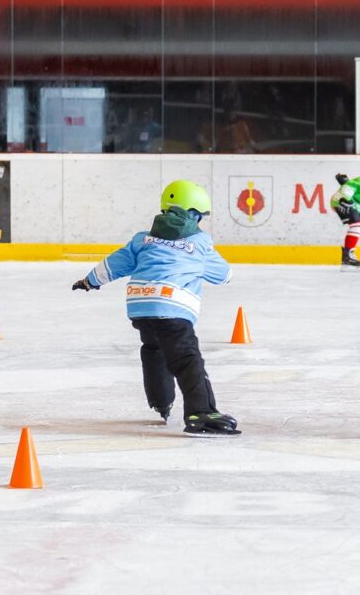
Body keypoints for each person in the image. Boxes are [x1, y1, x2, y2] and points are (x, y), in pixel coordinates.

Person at [71, 180, 240, 436]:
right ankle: (201, 413)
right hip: (172, 306)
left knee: (154, 350)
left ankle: (161, 402)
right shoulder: (200, 242)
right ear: (194, 214)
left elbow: (115, 263)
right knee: (187, 359)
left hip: (141, 305)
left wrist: (90, 281)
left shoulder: (143, 239)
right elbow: (224, 275)